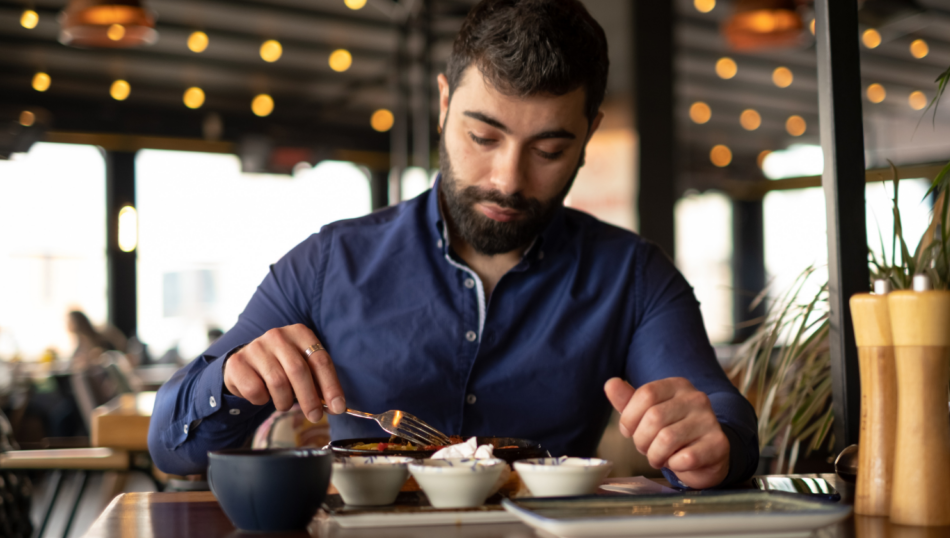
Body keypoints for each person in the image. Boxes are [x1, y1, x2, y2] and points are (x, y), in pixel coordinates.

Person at [149, 0, 758, 489]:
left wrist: (710, 447)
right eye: (482, 136)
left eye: (549, 151)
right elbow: (171, 447)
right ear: (444, 104)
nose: (507, 180)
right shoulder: (329, 265)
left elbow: (723, 417)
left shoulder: (633, 277)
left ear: (588, 134)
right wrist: (229, 379)